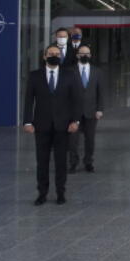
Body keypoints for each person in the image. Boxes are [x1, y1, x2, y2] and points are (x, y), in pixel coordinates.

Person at [22, 47, 81, 205]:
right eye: (51, 54)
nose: (54, 56)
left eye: (57, 54)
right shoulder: (35, 76)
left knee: (61, 161)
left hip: (63, 126)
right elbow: (29, 100)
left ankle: (61, 192)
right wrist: (27, 121)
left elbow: (76, 99)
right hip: (41, 125)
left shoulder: (69, 75)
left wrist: (75, 121)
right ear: (44, 56)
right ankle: (42, 193)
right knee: (42, 161)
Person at [67, 44, 103, 174]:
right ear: (77, 55)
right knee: (72, 140)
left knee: (90, 139)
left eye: (87, 54)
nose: (85, 56)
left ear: (90, 56)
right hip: (73, 113)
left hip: (91, 111)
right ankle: (73, 163)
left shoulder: (97, 71)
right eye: (82, 53)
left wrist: (100, 109)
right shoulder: (70, 71)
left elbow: (100, 92)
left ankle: (88, 162)